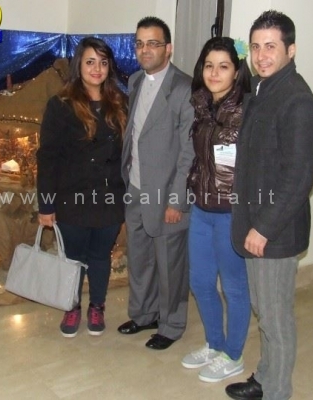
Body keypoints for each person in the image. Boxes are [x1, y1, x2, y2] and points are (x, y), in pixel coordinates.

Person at [225, 10, 313, 400]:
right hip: (257, 223)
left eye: (271, 46)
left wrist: (263, 228)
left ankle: (277, 392)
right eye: (255, 47)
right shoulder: (265, 90)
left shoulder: (298, 101)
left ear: (291, 49)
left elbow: (298, 179)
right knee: (265, 313)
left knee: (275, 319)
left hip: (274, 233)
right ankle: (265, 378)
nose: (261, 55)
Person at [36, 37, 127, 338]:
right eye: (90, 62)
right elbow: (47, 157)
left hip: (110, 198)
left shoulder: (120, 103)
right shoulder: (60, 105)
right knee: (73, 258)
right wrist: (46, 205)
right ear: (79, 65)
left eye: (103, 62)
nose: (97, 68)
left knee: (100, 256)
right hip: (71, 198)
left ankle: (97, 306)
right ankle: (72, 306)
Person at [117, 16, 195, 350]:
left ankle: (172, 324)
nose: (144, 50)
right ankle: (144, 314)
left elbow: (189, 152)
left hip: (166, 195)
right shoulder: (135, 81)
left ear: (168, 48)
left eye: (153, 43)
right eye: (139, 43)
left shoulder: (185, 88)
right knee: (140, 259)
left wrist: (178, 200)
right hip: (136, 189)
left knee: (170, 265)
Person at [181, 36, 252, 383]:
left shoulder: (249, 110)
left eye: (223, 66)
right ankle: (214, 344)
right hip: (201, 209)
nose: (214, 72)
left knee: (234, 288)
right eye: (209, 65)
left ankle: (233, 355)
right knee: (200, 281)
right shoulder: (202, 105)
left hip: (231, 213)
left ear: (236, 72)